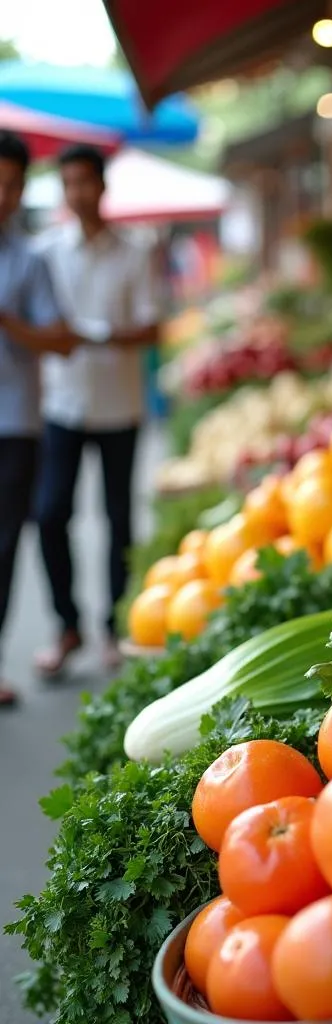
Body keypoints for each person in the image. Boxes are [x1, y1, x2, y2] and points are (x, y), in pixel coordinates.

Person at [1, 144, 162, 678]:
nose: (78, 193)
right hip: (60, 404)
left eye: (85, 182)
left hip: (120, 406)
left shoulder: (135, 252)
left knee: (119, 519)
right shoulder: (45, 252)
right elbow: (43, 328)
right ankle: (66, 625)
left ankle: (112, 628)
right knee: (49, 516)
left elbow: (152, 329)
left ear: (102, 186)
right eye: (68, 183)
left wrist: (88, 334)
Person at [0, 131, 75, 707]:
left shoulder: (31, 260)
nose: (2, 195)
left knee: (4, 547)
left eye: (11, 185)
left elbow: (59, 340)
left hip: (16, 424)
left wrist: (8, 321)